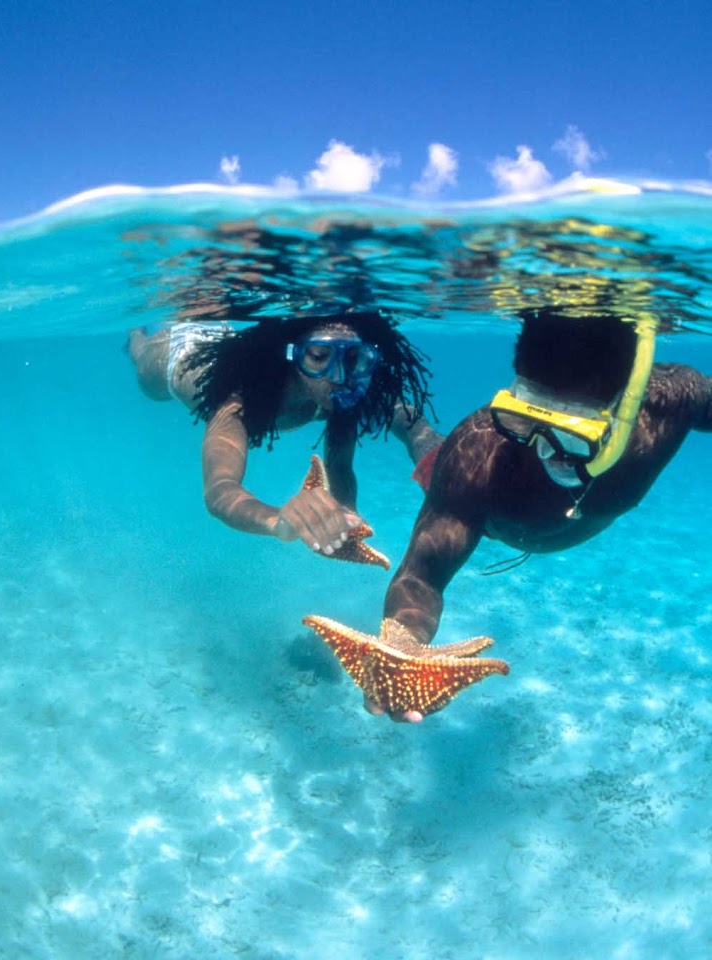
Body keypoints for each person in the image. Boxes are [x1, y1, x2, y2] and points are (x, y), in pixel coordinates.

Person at [360, 309, 712, 722]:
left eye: (570, 439)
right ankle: (409, 421)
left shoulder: (671, 404)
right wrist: (404, 643)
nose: (541, 452)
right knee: (430, 452)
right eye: (520, 423)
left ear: (624, 416)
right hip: (481, 512)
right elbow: (421, 575)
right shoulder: (476, 454)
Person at [129, 312, 442, 557]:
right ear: (292, 356)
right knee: (143, 366)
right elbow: (220, 491)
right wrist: (277, 520)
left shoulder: (343, 394)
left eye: (352, 359)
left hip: (224, 340)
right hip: (177, 355)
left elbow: (343, 465)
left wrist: (345, 512)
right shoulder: (240, 399)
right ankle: (134, 335)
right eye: (319, 357)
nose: (339, 377)